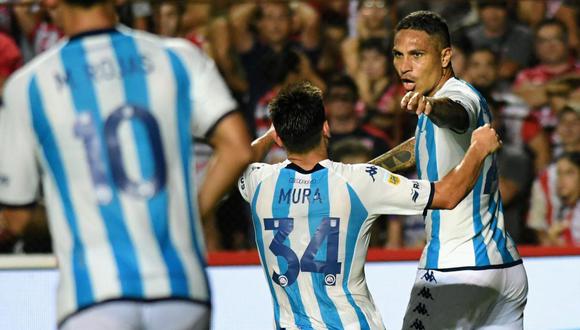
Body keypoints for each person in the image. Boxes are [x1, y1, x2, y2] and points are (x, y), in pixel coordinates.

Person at [0, 0, 252, 329]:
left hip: (93, 297)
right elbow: (238, 148)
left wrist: (78, 212)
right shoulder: (177, 57)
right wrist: (189, 213)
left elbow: (15, 218)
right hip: (182, 289)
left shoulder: (29, 85)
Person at [239, 81, 503, 329]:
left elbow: (241, 158)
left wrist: (270, 135)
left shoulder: (258, 182)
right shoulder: (360, 182)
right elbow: (448, 195)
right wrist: (478, 149)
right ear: (326, 128)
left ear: (280, 139)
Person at [392, 11, 527, 328]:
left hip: (456, 269)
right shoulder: (436, 100)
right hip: (504, 268)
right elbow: (420, 147)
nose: (404, 66)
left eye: (417, 55)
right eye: (398, 55)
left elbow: (457, 115)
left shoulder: (454, 97)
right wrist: (365, 172)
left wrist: (432, 106)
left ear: (445, 56)